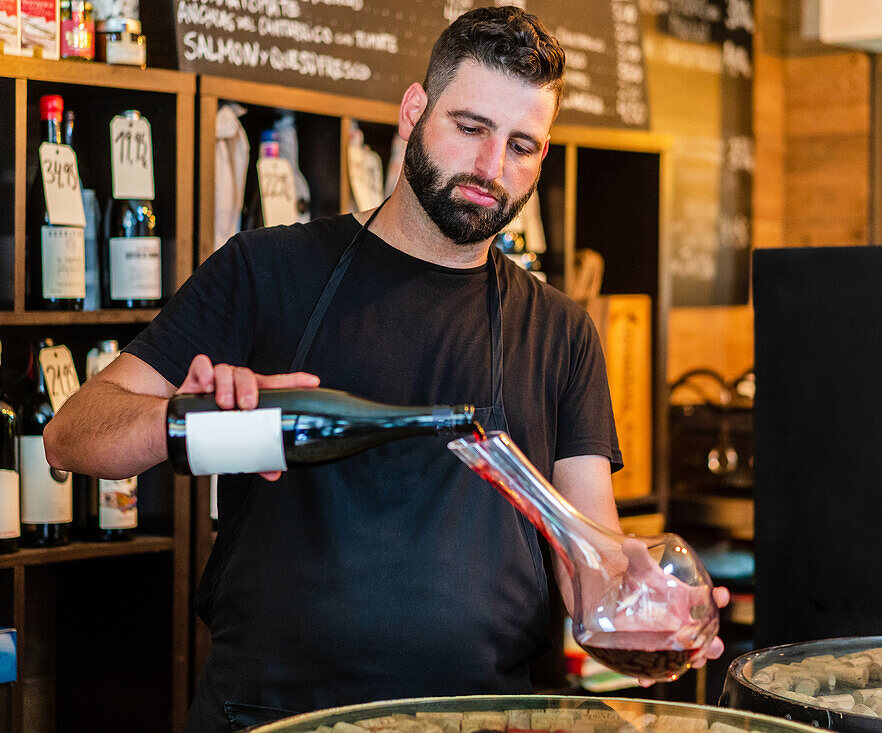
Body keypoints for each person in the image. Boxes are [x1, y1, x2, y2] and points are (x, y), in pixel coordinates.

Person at [45, 7, 727, 731]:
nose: (492, 169)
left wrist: (644, 611)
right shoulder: (265, 270)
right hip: (270, 715)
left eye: (521, 144)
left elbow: (588, 561)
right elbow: (71, 435)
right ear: (413, 110)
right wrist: (190, 420)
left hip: (481, 720)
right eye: (470, 128)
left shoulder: (560, 331)